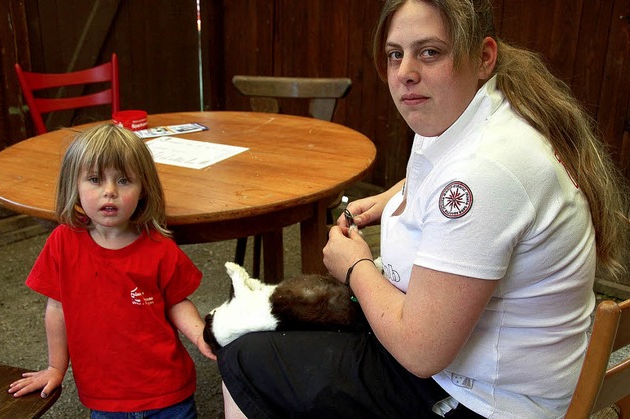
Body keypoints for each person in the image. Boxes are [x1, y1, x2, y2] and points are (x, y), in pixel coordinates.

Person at [215, 0, 630, 418]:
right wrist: (395, 195)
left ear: (484, 57)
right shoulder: (474, 111)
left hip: (482, 400)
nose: (405, 72)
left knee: (242, 359)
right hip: (499, 371)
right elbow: (450, 167)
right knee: (301, 332)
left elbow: (419, 351)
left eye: (430, 52)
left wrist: (355, 266)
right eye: (396, 54)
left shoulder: (484, 173)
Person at [8, 123, 217, 417]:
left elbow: (177, 301)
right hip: (104, 397)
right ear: (74, 186)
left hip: (168, 392)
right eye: (94, 179)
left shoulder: (160, 248)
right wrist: (56, 368)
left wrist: (200, 336)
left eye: (124, 181)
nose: (109, 192)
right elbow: (56, 309)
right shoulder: (62, 243)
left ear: (144, 188)